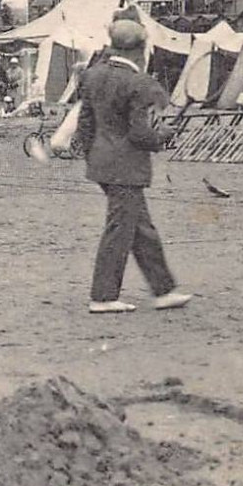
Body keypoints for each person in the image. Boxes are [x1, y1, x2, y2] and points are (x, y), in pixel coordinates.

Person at [76, 19, 192, 314]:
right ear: (141, 49)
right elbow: (141, 133)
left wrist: (93, 156)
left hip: (102, 162)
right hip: (126, 166)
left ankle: (163, 289)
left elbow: (85, 125)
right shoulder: (139, 83)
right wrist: (163, 137)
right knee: (120, 230)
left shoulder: (92, 76)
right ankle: (103, 295)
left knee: (140, 228)